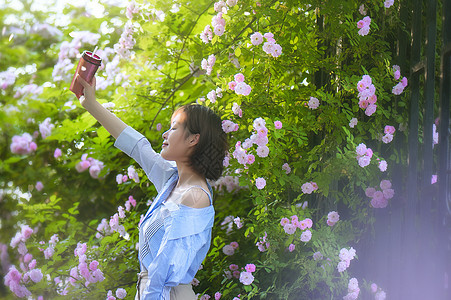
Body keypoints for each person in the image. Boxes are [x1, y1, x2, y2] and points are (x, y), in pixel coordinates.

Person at [75, 74, 228, 299]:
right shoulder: (172, 181)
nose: (165, 134)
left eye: (174, 128)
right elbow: (138, 146)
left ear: (193, 140)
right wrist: (91, 104)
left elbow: (165, 271)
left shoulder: (195, 197)